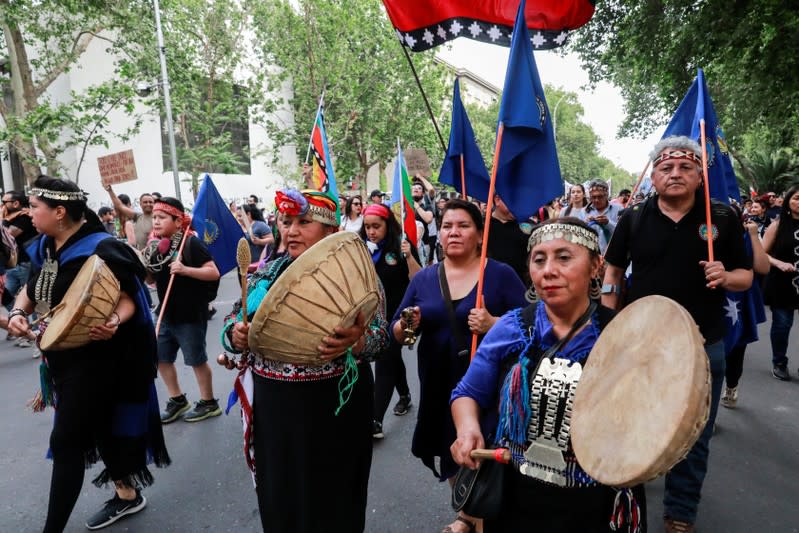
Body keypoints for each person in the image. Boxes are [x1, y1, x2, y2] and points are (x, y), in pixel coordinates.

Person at [451, 217, 645, 532]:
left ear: (596, 266)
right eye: (539, 259)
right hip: (517, 495)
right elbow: (467, 393)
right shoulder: (511, 328)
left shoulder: (623, 335)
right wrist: (467, 428)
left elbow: (652, 414)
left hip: (597, 498)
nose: (548, 270)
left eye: (564, 257)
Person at [603, 135, 752, 533]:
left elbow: (747, 275)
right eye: (666, 167)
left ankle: (679, 513)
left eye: (686, 167)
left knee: (693, 435)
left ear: (700, 176)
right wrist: (606, 326)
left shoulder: (721, 217)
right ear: (653, 175)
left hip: (704, 344)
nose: (675, 174)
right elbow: (613, 273)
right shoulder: (633, 218)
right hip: (640, 345)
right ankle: (628, 492)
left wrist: (727, 275)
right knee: (633, 421)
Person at [7, 176, 169, 531]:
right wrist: (19, 311)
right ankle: (127, 494)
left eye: (34, 207)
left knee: (66, 442)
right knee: (98, 428)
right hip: (64, 360)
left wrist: (114, 319)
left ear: (60, 212)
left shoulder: (102, 249)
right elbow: (33, 288)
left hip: (100, 359)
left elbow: (128, 299)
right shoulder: (47, 247)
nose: (27, 213)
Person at [222, 188, 388, 532]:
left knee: (335, 496)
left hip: (336, 407)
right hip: (276, 409)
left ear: (330, 233)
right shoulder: (266, 276)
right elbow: (232, 323)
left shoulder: (359, 279)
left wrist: (357, 343)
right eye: (286, 222)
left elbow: (381, 336)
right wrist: (235, 336)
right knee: (280, 493)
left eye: (303, 222)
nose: (291, 230)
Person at [390, 199, 526, 533]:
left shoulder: (500, 275)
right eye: (447, 225)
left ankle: (481, 520)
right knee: (453, 453)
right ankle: (468, 510)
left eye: (463, 226)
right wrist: (408, 323)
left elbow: (530, 326)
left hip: (489, 388)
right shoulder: (423, 279)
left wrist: (494, 323)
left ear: (480, 235)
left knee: (488, 452)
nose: (454, 232)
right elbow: (397, 329)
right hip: (439, 385)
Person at [144, 197, 222, 423]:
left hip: (190, 314)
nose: (156, 222)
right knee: (161, 358)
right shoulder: (158, 246)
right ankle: (177, 399)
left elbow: (213, 272)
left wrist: (185, 269)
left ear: (178, 221)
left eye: (162, 217)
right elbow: (151, 277)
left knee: (196, 360)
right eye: (154, 218)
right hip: (166, 313)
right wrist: (143, 266)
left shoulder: (191, 244)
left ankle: (208, 402)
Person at [359, 203, 422, 438]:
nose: (371, 231)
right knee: (392, 358)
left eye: (376, 226)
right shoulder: (361, 248)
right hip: (372, 318)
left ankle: (375, 419)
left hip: (400, 317)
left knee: (386, 360)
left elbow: (418, 279)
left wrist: (408, 256)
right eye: (367, 227)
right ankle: (404, 395)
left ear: (388, 225)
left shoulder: (402, 246)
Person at [722, 216, 769, 407]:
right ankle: (706, 410)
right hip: (707, 301)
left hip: (739, 302)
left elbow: (763, 267)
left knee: (735, 352)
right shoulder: (704, 236)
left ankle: (732, 385)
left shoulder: (746, 237)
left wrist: (753, 235)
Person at [761, 184, 799, 381]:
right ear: (788, 201)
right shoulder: (777, 225)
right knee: (782, 325)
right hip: (782, 283)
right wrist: (780, 263)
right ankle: (779, 362)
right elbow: (762, 254)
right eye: (796, 198)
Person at [486, 194, 533, 286]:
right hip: (488, 287)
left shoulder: (531, 227)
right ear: (498, 200)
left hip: (522, 288)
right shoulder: (481, 226)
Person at [582, 181, 622, 254]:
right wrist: (585, 225)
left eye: (600, 197)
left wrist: (608, 223)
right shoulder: (584, 212)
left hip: (614, 255)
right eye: (593, 197)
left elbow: (623, 232)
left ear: (606, 195)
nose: (596, 200)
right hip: (592, 255)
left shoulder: (618, 209)